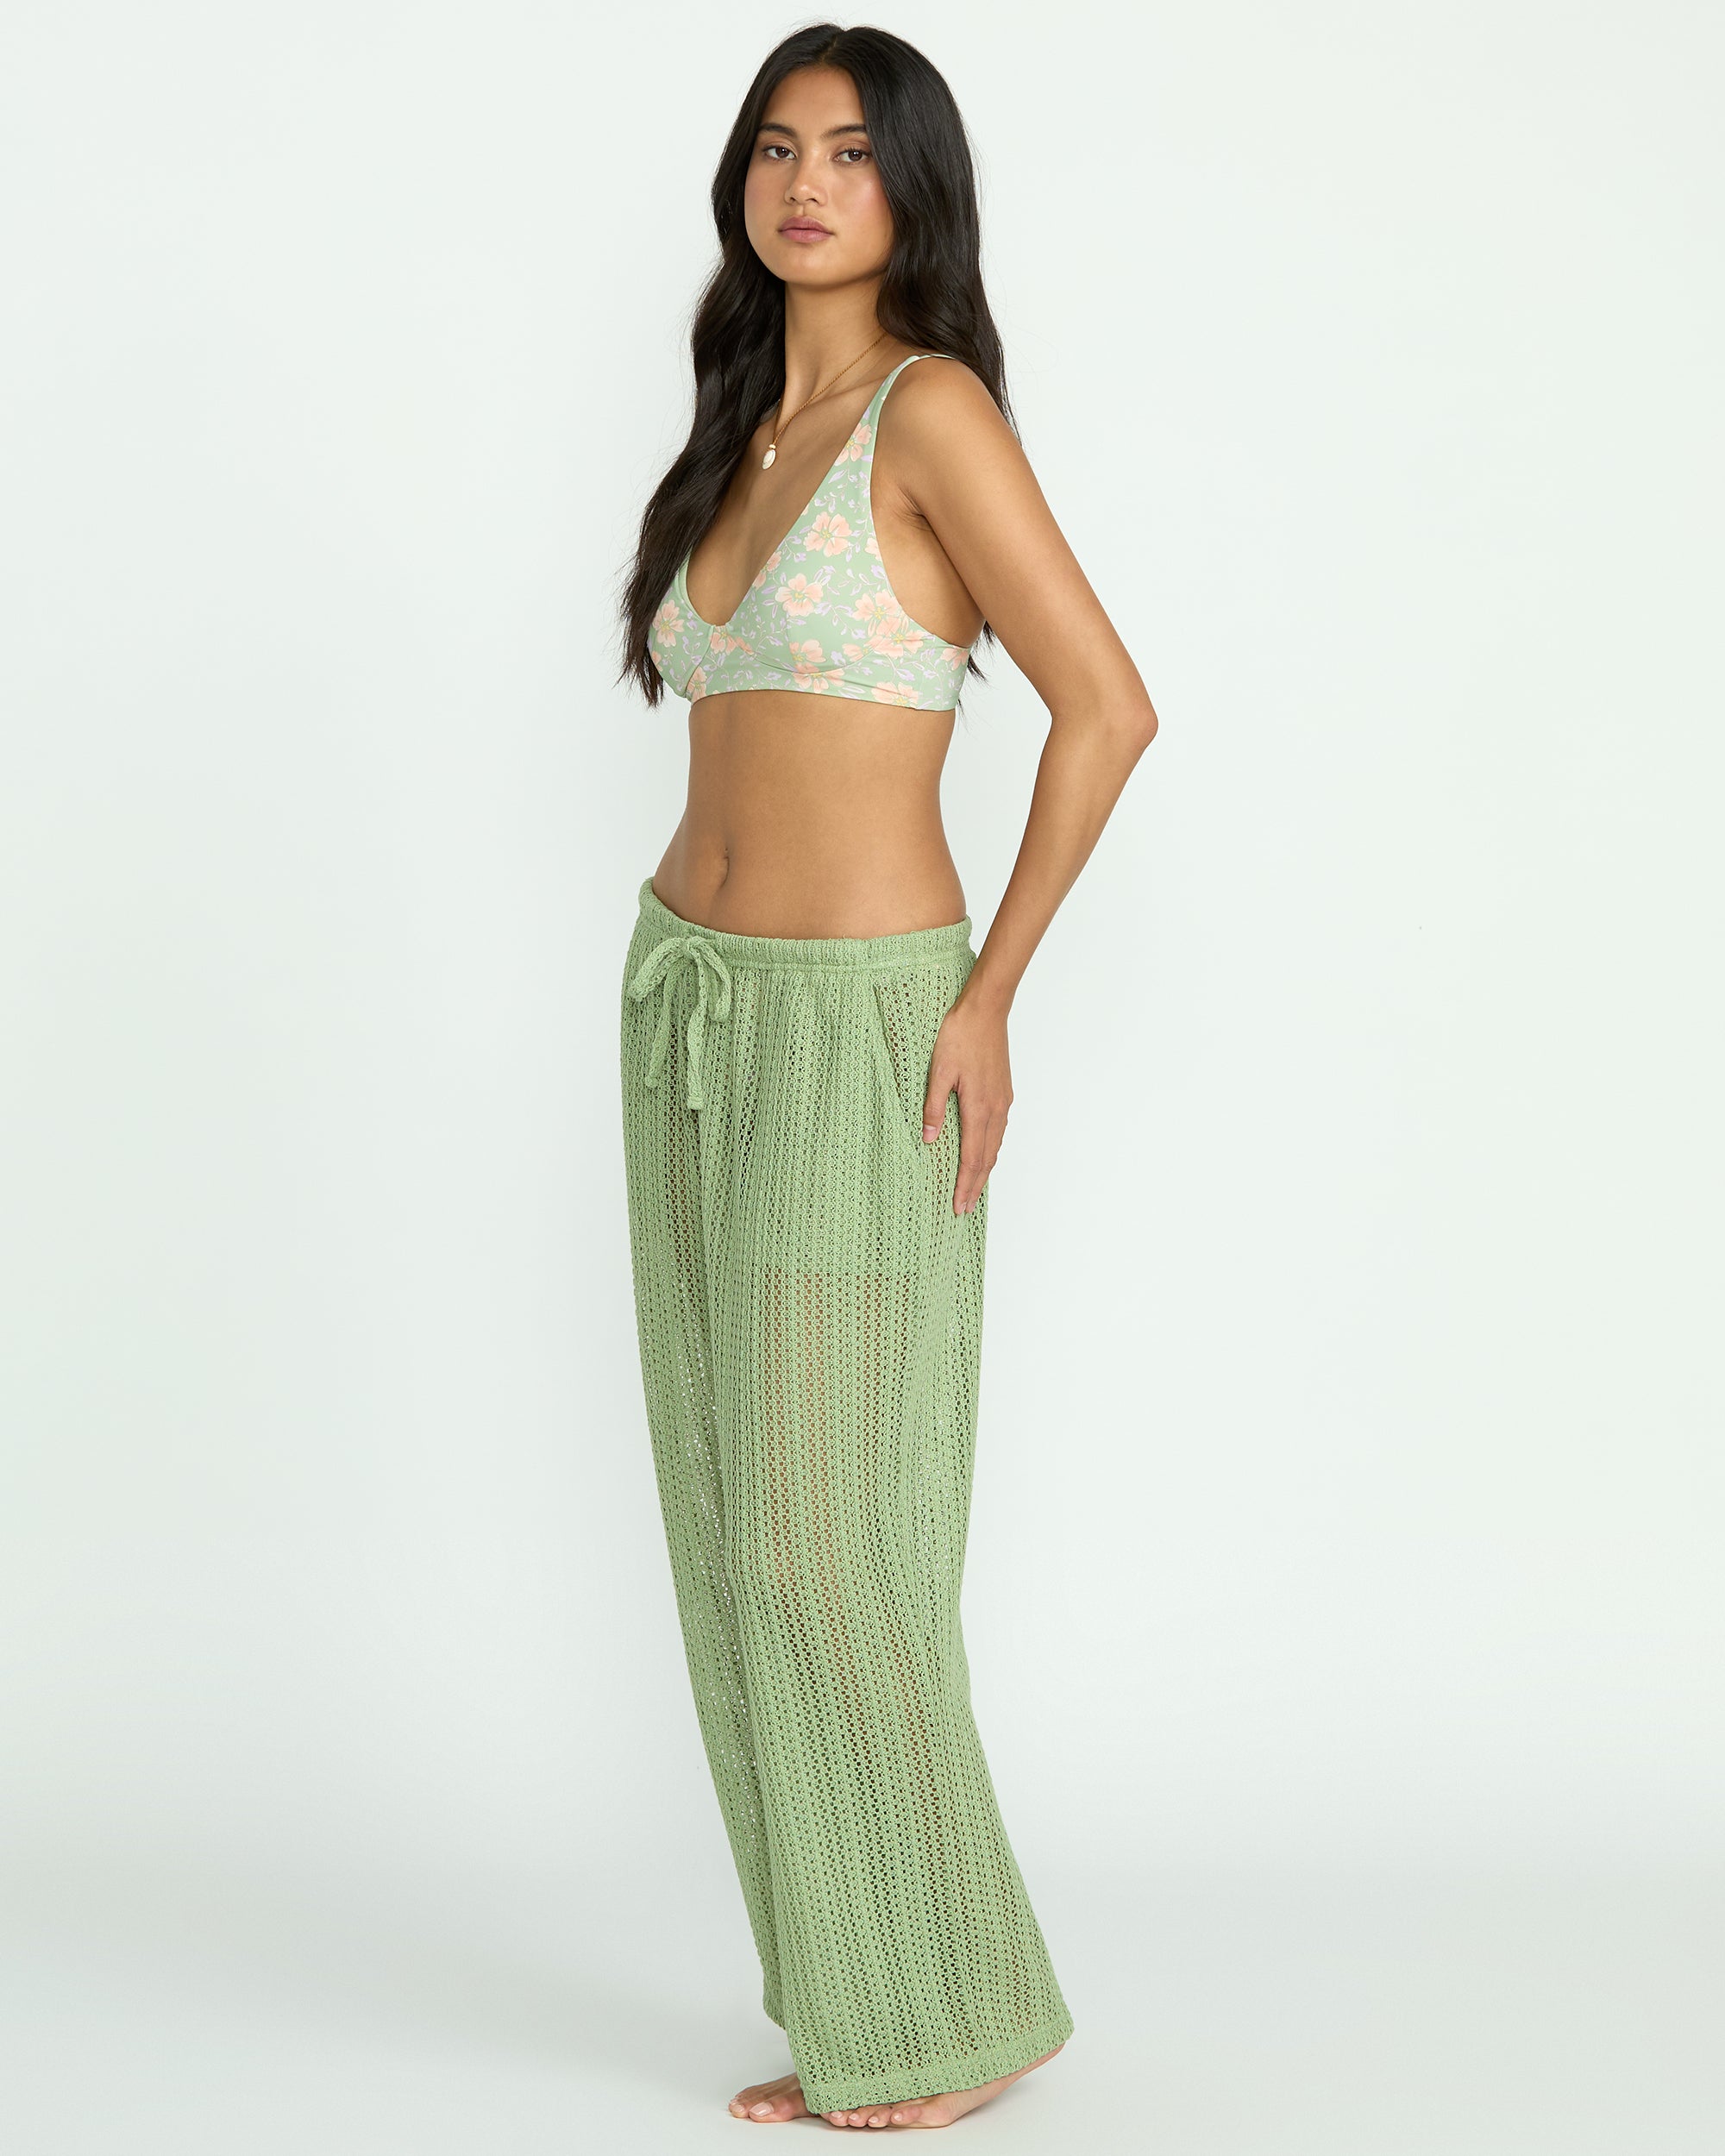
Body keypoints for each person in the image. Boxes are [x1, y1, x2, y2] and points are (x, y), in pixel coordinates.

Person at [615, 22, 1157, 2134]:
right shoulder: (745, 425)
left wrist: (988, 993)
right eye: (775, 147)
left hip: (861, 1019)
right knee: (725, 1520)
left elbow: (1106, 705)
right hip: (687, 1003)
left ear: (913, 189)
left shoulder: (929, 414)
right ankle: (861, 1994)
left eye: (849, 151)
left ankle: (952, 2004)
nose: (805, 183)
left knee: (831, 1541)